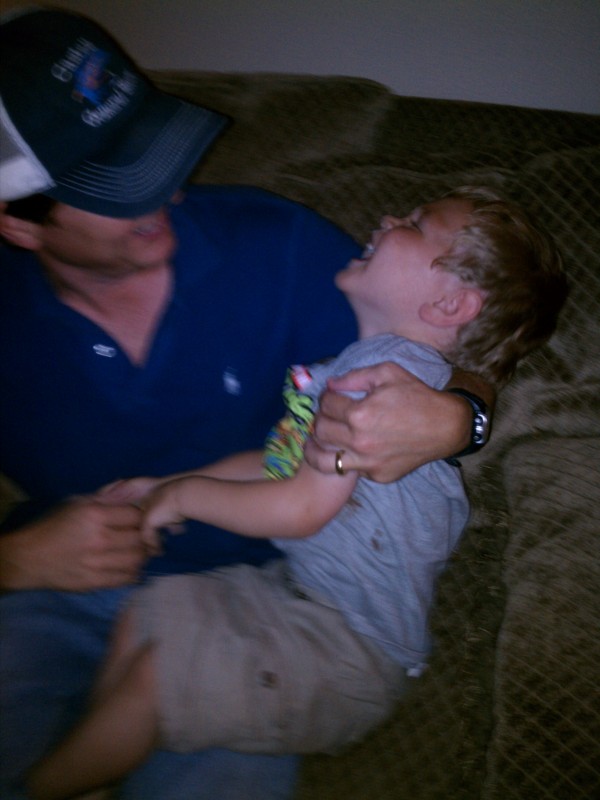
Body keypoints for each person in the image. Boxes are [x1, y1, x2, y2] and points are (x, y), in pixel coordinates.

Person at [0, 8, 493, 800]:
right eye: (118, 180)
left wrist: (460, 419)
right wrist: (17, 561)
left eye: (154, 147)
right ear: (18, 224)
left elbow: (455, 341)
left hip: (255, 600)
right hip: (50, 593)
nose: (167, 188)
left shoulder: (280, 246)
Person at [25, 187, 568, 800]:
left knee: (158, 676)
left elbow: (302, 507)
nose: (388, 216)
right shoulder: (354, 366)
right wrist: (163, 485)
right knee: (147, 617)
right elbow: (279, 464)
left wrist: (185, 498)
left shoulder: (388, 380)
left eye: (416, 225)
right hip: (291, 596)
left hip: (344, 646)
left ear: (450, 304)